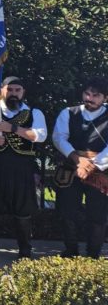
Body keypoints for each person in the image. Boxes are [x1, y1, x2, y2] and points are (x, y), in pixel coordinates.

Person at [0, 75, 47, 259]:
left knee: (23, 210)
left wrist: (12, 129)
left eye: (17, 90)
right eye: (10, 89)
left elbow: (40, 136)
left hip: (22, 169)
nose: (13, 93)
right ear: (2, 90)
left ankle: (25, 249)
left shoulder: (34, 113)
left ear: (23, 92)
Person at [51, 76, 108, 258]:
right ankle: (71, 251)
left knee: (97, 215)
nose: (89, 98)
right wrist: (78, 161)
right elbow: (59, 138)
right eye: (87, 94)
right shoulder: (68, 113)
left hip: (100, 171)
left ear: (105, 98)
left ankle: (93, 255)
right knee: (66, 211)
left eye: (95, 95)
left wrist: (92, 166)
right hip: (70, 168)